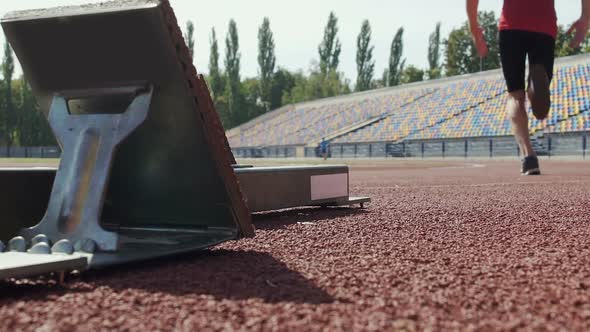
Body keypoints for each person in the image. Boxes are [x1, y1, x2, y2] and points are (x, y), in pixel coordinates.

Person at [467, 0, 590, 175]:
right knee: (539, 82)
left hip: (511, 26)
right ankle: (536, 86)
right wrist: (585, 18)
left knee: (515, 94)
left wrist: (474, 27)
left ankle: (528, 155)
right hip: (544, 26)